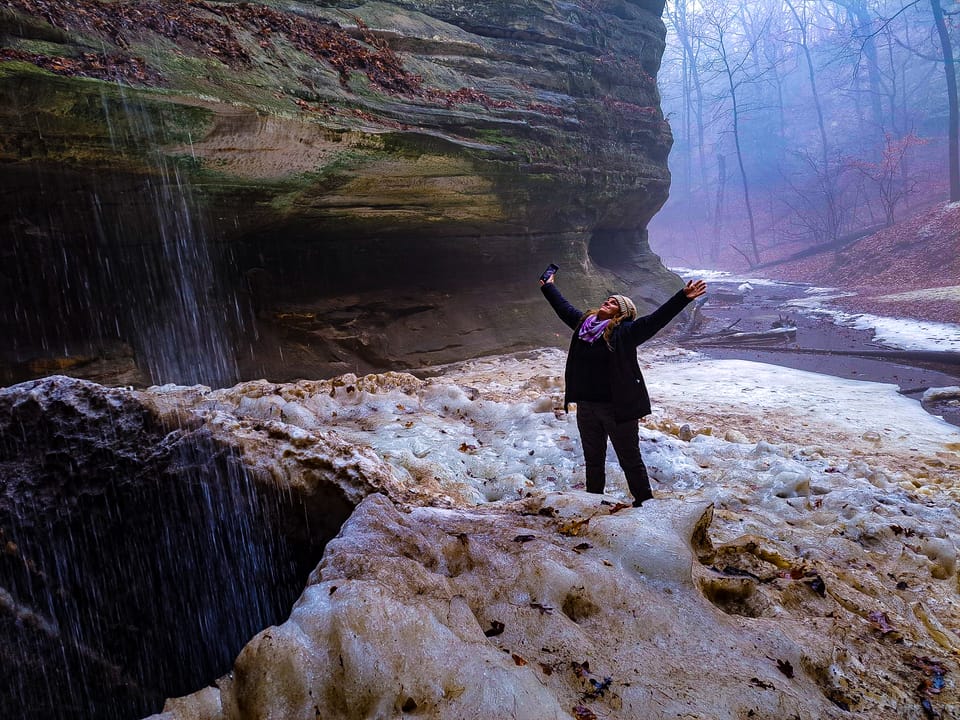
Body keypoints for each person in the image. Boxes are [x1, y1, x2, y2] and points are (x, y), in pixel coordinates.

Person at [540, 271, 707, 506]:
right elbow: (563, 307)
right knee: (593, 459)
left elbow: (657, 319)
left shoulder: (626, 332)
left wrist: (683, 297)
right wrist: (548, 286)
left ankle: (646, 505)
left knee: (630, 459)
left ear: (622, 314)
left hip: (617, 409)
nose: (607, 302)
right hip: (587, 406)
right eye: (608, 300)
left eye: (614, 303)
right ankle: (594, 502)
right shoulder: (584, 326)